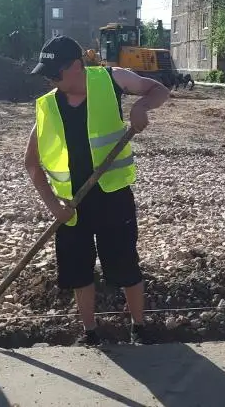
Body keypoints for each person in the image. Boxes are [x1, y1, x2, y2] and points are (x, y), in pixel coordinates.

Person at [24, 35, 170, 346]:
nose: (50, 80)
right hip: (71, 206)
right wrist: (54, 207)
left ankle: (139, 327)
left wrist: (142, 106)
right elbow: (32, 164)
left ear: (76, 66)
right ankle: (90, 333)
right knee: (79, 273)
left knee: (125, 265)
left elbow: (159, 89)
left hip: (113, 198)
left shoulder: (113, 79)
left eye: (54, 74)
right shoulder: (48, 107)